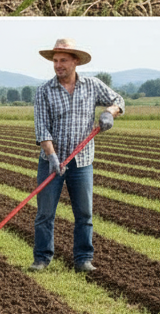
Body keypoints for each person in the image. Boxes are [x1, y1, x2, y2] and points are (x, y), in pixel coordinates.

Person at [30, 38, 124, 273]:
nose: (58, 65)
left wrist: (109, 113)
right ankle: (42, 258)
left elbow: (119, 101)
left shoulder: (92, 86)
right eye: (55, 60)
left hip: (82, 163)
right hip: (52, 162)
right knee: (44, 213)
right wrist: (52, 157)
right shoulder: (44, 91)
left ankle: (83, 259)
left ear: (75, 62)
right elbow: (42, 129)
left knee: (84, 213)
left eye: (63, 60)